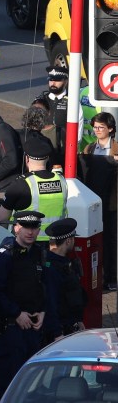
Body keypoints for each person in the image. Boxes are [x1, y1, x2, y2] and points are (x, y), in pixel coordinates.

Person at [0, 211, 47, 401]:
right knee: (8, 385)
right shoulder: (5, 256)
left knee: (33, 386)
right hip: (11, 329)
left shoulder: (39, 253)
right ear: (16, 228)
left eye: (34, 228)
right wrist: (16, 314)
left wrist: (42, 311)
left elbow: (42, 287)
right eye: (25, 228)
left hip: (33, 327)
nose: (30, 232)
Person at [0, 138, 66, 241]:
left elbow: (3, 219)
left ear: (27, 159)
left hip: (29, 242)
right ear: (47, 159)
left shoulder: (21, 183)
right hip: (56, 241)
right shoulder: (61, 180)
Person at [82, 112, 118, 291]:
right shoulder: (89, 149)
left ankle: (111, 276)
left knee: (111, 239)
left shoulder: (116, 149)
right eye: (95, 127)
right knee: (96, 238)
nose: (96, 130)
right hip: (93, 202)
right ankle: (98, 276)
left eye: (100, 127)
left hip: (111, 202)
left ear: (110, 129)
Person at [42, 218, 87, 341]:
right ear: (68, 241)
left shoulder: (64, 263)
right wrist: (57, 333)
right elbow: (51, 303)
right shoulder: (51, 268)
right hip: (59, 331)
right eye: (73, 239)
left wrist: (78, 320)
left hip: (69, 325)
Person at [34, 65, 71, 157]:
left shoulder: (71, 101)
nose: (53, 83)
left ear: (65, 81)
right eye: (51, 79)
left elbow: (78, 129)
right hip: (42, 148)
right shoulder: (40, 101)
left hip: (63, 150)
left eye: (57, 80)